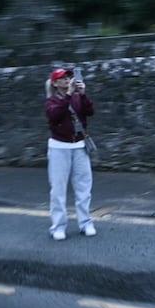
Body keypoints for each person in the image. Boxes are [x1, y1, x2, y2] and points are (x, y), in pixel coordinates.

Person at [45, 68, 96, 240]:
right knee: (58, 190)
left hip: (80, 147)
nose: (67, 79)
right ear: (55, 83)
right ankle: (58, 227)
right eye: (62, 78)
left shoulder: (76, 96)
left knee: (84, 188)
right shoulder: (51, 101)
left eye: (68, 77)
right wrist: (68, 95)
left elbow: (90, 112)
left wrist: (82, 94)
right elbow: (56, 115)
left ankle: (86, 223)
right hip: (59, 148)